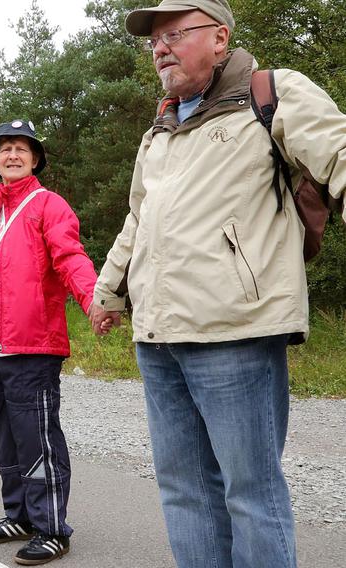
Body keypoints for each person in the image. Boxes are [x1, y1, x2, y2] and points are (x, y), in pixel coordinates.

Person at [90, 2, 346, 566]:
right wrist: (109, 291)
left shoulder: (271, 94)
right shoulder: (159, 128)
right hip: (158, 336)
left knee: (250, 492)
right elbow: (139, 217)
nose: (160, 48)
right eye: (154, 41)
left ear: (220, 38)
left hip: (237, 329)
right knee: (184, 491)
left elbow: (339, 155)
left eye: (175, 34)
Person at [0, 120, 98, 565]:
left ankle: (52, 527)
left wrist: (92, 298)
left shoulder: (47, 204)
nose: (11, 155)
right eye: (4, 149)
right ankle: (19, 514)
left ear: (35, 159)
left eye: (21, 149)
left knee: (37, 438)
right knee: (4, 438)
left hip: (32, 344)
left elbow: (70, 255)